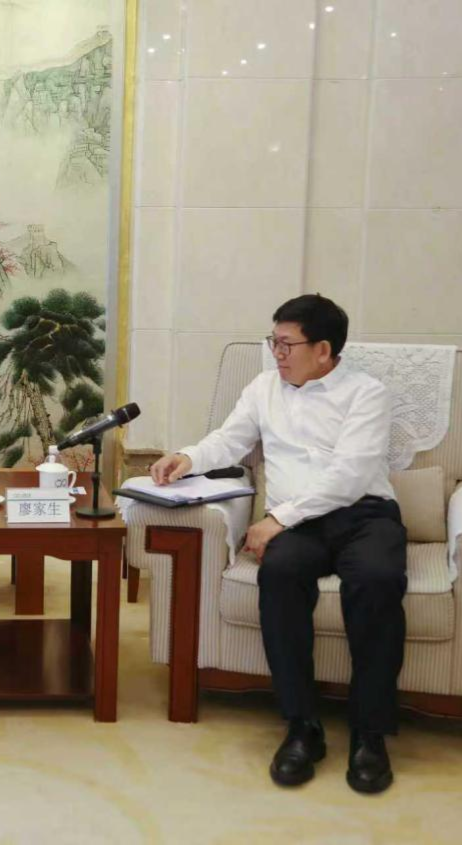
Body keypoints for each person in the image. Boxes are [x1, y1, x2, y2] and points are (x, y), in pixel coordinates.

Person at [150, 294, 406, 794]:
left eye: (287, 344)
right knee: (280, 574)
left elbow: (350, 476)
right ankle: (302, 726)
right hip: (297, 526)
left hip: (364, 515)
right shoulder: (264, 387)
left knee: (377, 579)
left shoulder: (367, 394)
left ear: (324, 350)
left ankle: (369, 734)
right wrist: (188, 457)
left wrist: (277, 520)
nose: (277, 353)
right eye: (274, 341)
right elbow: (230, 439)